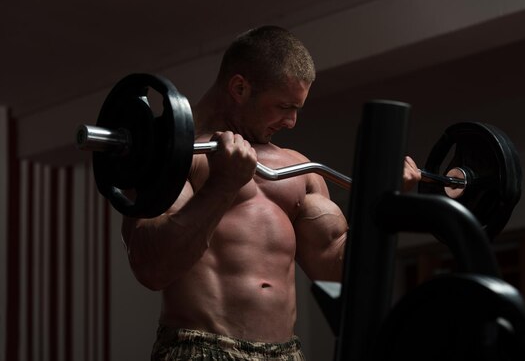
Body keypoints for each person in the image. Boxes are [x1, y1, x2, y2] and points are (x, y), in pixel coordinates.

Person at [121, 25, 421, 361]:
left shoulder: (301, 171)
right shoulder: (174, 158)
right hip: (200, 350)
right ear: (239, 87)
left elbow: (342, 275)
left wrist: (385, 208)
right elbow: (152, 268)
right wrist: (223, 185)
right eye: (283, 106)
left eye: (297, 109)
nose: (292, 122)